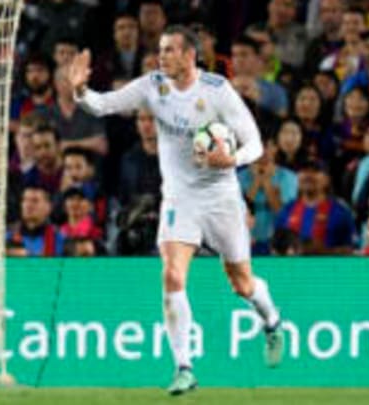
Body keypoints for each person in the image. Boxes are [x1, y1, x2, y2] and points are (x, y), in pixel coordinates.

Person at [69, 24, 284, 395]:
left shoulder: (217, 90)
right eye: (160, 49)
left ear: (189, 55)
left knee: (242, 284)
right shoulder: (154, 85)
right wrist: (80, 90)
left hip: (221, 198)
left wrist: (231, 158)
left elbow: (256, 145)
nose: (161, 56)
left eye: (169, 50)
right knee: (171, 275)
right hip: (179, 200)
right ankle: (184, 366)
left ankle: (273, 322)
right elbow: (104, 104)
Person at [275, 161, 355, 255]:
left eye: (315, 171)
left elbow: (352, 250)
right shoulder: (286, 211)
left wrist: (324, 252)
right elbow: (276, 249)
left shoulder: (341, 212)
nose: (308, 175)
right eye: (303, 171)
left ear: (327, 179)